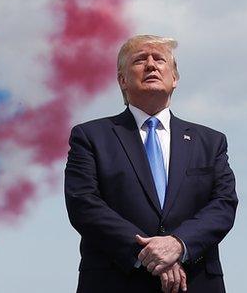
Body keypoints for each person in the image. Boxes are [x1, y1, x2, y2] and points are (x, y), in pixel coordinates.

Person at [64, 35, 237, 293]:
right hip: (115, 280)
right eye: (140, 60)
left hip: (194, 281)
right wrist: (149, 254)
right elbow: (84, 205)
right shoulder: (90, 137)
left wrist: (178, 244)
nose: (151, 65)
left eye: (159, 59)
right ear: (122, 80)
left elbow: (223, 205)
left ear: (175, 78)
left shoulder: (210, 142)